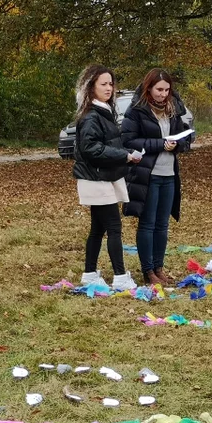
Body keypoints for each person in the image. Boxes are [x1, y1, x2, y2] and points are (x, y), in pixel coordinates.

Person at [72, 64, 142, 291]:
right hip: (96, 179)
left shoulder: (103, 111)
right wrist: (125, 156)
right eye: (103, 83)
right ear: (91, 87)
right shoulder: (91, 116)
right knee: (113, 226)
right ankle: (121, 277)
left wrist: (125, 156)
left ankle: (89, 273)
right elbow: (91, 149)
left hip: (104, 176)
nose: (109, 87)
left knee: (98, 228)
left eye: (111, 83)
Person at [121, 68, 192, 285]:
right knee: (148, 224)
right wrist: (160, 144)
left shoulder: (173, 110)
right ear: (149, 88)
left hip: (169, 175)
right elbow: (128, 141)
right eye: (159, 89)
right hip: (147, 175)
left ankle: (159, 268)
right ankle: (148, 271)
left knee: (162, 224)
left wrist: (179, 143)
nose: (163, 94)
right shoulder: (136, 111)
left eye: (167, 90)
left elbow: (186, 138)